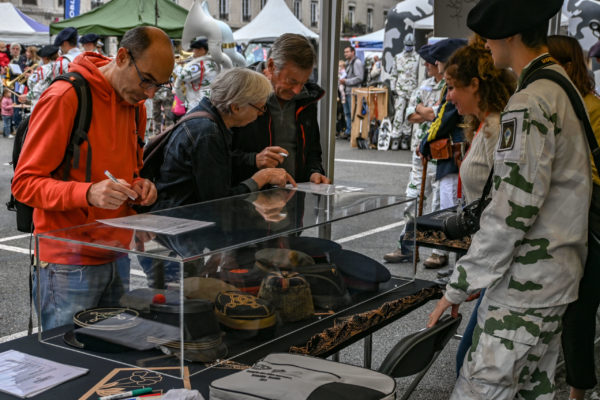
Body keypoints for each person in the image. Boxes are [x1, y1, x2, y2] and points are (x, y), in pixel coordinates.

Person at [428, 1, 592, 399]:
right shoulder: (558, 84)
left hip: (527, 284)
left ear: (510, 35)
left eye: (488, 36)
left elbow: (510, 212)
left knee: (480, 389)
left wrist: (458, 286)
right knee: (532, 390)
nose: (485, 45)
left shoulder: (530, 100)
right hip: (554, 275)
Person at [12, 26, 175, 330]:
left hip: (116, 254)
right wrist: (87, 193)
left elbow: (131, 171)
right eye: (147, 80)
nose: (150, 93)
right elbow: (24, 184)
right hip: (67, 263)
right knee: (67, 362)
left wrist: (140, 187)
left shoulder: (135, 107)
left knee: (110, 356)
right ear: (123, 57)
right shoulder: (65, 96)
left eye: (160, 86)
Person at [441, 40, 517, 375]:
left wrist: (466, 281)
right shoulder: (486, 127)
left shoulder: (499, 130)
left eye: (452, 86)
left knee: (469, 361)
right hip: (494, 264)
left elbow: (505, 215)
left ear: (475, 84)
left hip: (504, 265)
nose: (448, 96)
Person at [151, 67, 295, 210]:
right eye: (260, 108)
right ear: (235, 107)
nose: (261, 114)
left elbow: (215, 162)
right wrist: (261, 178)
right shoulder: (207, 132)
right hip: (181, 219)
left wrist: (253, 160)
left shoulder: (206, 120)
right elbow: (218, 201)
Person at [546, 34, 600, 400]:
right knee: (575, 314)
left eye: (550, 63)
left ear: (567, 67)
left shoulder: (588, 106)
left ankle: (578, 393)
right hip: (572, 222)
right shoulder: (564, 103)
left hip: (588, 222)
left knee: (579, 313)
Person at [232, 33, 330, 185]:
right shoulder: (240, 92)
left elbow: (313, 151)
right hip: (249, 197)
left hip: (296, 194)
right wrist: (254, 160)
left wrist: (314, 172)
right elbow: (219, 154)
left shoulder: (307, 98)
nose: (297, 90)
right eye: (292, 81)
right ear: (271, 66)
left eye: (303, 83)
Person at [384, 44, 444, 263]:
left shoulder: (449, 87)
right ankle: (407, 247)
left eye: (430, 61)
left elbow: (439, 114)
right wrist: (423, 111)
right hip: (419, 152)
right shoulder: (424, 85)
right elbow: (410, 114)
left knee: (439, 205)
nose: (427, 65)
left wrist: (423, 111)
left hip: (440, 155)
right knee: (412, 200)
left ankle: (439, 252)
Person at [419, 38, 467, 270]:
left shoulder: (455, 83)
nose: (434, 62)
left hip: (454, 155)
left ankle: (457, 268)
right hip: (459, 154)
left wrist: (425, 143)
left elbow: (443, 119)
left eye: (439, 58)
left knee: (452, 209)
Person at [174, 37, 219, 111]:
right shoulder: (212, 62)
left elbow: (183, 75)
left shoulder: (200, 65)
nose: (193, 52)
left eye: (195, 49)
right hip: (208, 102)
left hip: (197, 104)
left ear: (202, 50)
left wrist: (175, 65)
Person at [391, 34, 419, 145]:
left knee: (409, 113)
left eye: (410, 45)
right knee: (398, 113)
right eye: (407, 45)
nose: (408, 47)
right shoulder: (398, 57)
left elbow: (420, 75)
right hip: (400, 90)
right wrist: (393, 88)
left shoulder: (418, 58)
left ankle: (406, 135)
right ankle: (396, 135)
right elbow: (394, 74)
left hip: (413, 90)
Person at [21, 45, 59, 110]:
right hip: (56, 100)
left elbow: (37, 88)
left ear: (45, 58)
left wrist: (27, 96)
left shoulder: (43, 69)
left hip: (41, 102)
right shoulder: (60, 66)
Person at [339, 44, 364, 140]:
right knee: (347, 113)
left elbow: (360, 78)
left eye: (347, 52)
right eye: (344, 52)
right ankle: (349, 131)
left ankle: (354, 132)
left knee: (353, 113)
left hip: (353, 92)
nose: (345, 53)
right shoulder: (347, 63)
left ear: (353, 52)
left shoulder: (356, 62)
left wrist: (346, 81)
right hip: (346, 92)